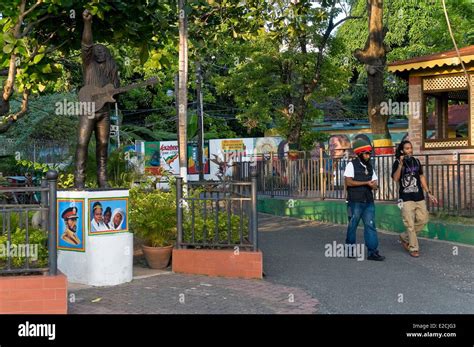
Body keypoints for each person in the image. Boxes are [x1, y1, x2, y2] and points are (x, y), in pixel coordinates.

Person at [74, 9, 120, 188]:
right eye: (97, 50)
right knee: (82, 143)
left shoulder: (111, 71)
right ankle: (79, 180)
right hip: (88, 110)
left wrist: (115, 92)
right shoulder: (89, 64)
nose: (99, 53)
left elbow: (117, 93)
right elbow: (86, 44)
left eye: (103, 51)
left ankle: (102, 179)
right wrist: (87, 23)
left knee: (103, 145)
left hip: (104, 113)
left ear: (107, 55)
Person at [391, 140, 437, 257]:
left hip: (419, 196)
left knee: (424, 219)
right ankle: (413, 248)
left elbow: (421, 177)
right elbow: (396, 179)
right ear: (402, 150)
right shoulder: (397, 163)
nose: (409, 150)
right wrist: (401, 165)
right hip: (405, 198)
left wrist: (429, 192)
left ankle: (404, 236)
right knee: (410, 224)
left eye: (410, 148)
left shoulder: (416, 161)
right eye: (407, 148)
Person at [344, 138, 385, 261]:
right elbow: (348, 182)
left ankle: (372, 252)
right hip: (354, 202)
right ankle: (350, 250)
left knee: (370, 226)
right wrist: (367, 182)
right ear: (360, 154)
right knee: (352, 225)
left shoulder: (370, 166)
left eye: (369, 153)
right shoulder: (351, 165)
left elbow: (375, 183)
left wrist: (374, 186)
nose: (368, 155)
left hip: (368, 201)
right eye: (366, 153)